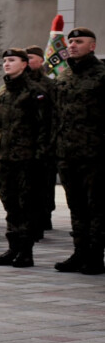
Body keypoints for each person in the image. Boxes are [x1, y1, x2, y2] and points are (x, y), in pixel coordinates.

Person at [0, 48, 51, 268]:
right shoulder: (2, 91)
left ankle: (25, 251)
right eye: (4, 60)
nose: (6, 64)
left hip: (26, 158)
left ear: (24, 64)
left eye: (11, 60)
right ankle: (12, 247)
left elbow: (44, 126)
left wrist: (41, 156)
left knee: (26, 206)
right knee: (10, 203)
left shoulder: (35, 91)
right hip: (3, 157)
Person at [53, 27, 105, 275]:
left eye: (79, 41)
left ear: (92, 46)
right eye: (71, 41)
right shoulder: (64, 77)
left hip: (95, 154)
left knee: (97, 207)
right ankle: (79, 252)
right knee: (76, 206)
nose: (72, 45)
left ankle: (95, 257)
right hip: (68, 153)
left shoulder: (102, 75)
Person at [24, 45, 57, 238]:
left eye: (31, 58)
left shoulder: (49, 85)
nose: (28, 62)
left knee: (44, 185)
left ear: (41, 60)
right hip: (23, 145)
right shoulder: (21, 83)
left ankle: (44, 217)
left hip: (44, 143)